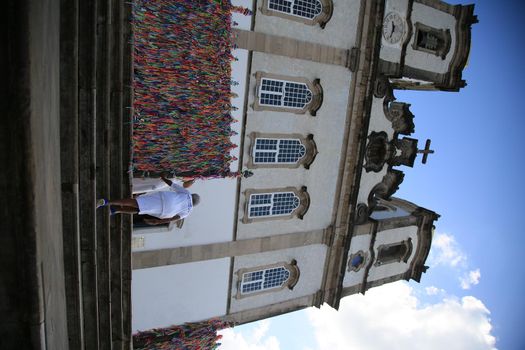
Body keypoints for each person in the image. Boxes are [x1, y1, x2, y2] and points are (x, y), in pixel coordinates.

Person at [97, 175, 199, 225]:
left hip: (163, 199)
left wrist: (162, 177)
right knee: (139, 209)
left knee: (136, 203)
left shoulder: (187, 194)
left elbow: (172, 184)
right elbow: (174, 218)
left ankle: (107, 202)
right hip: (164, 212)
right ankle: (115, 210)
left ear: (193, 195)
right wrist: (159, 222)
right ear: (193, 205)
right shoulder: (189, 211)